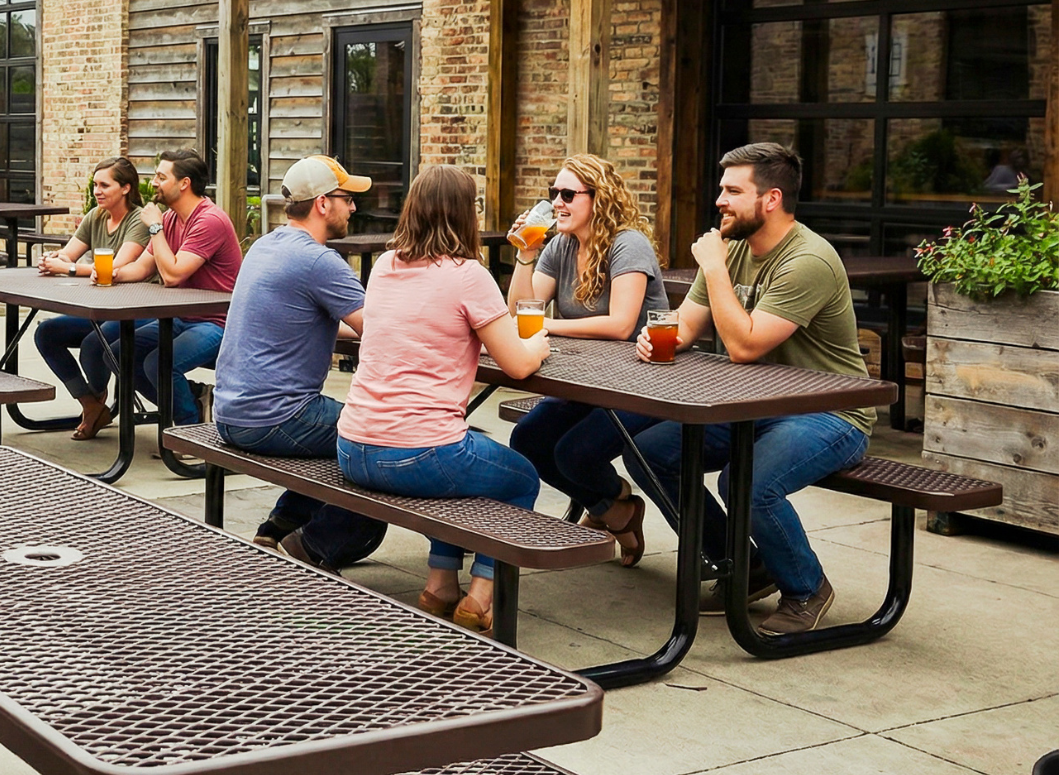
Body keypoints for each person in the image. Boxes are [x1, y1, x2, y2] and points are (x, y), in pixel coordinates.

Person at [629, 142, 873, 635]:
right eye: (722, 188)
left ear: (771, 199)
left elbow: (744, 346)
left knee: (748, 484)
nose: (720, 200)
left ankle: (806, 589)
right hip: (757, 406)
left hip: (831, 413)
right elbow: (686, 326)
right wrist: (657, 338)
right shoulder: (734, 247)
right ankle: (742, 565)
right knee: (649, 453)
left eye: (732, 190)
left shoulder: (807, 260)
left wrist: (714, 268)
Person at [336, 165, 548, 636]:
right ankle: (481, 594)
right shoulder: (468, 274)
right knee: (519, 478)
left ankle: (440, 584)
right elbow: (516, 364)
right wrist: (541, 345)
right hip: (415, 454)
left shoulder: (386, 267)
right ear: (464, 215)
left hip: (352, 447)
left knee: (455, 457)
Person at [219, 156, 389, 573]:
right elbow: (383, 329)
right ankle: (312, 545)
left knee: (344, 433)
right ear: (323, 204)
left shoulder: (265, 244)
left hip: (231, 410)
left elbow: (337, 324)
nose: (353, 208)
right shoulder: (319, 261)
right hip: (275, 416)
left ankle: (278, 526)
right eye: (347, 199)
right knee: (385, 444)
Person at [504, 154, 672, 568]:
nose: (557, 203)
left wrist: (548, 327)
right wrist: (526, 255)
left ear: (600, 198)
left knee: (574, 454)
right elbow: (519, 310)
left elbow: (620, 324)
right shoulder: (560, 244)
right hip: (585, 379)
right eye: (553, 194)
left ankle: (608, 509)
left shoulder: (627, 243)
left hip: (638, 383)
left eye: (567, 194)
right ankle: (616, 509)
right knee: (527, 440)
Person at [103, 147, 243, 426]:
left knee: (159, 364)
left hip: (217, 322)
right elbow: (143, 267)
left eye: (160, 177)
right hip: (180, 317)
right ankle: (193, 399)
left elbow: (173, 275)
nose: (153, 182)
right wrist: (111, 274)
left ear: (184, 183)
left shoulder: (208, 220)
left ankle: (190, 430)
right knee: (117, 354)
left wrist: (155, 229)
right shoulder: (169, 218)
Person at [35, 157, 152, 440]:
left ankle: (96, 403)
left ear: (125, 188)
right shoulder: (95, 216)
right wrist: (55, 259)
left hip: (135, 310)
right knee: (46, 333)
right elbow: (69, 253)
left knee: (94, 343)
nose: (97, 191)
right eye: (95, 185)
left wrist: (69, 269)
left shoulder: (138, 220)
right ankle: (90, 403)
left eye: (104, 185)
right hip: (100, 307)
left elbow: (116, 267)